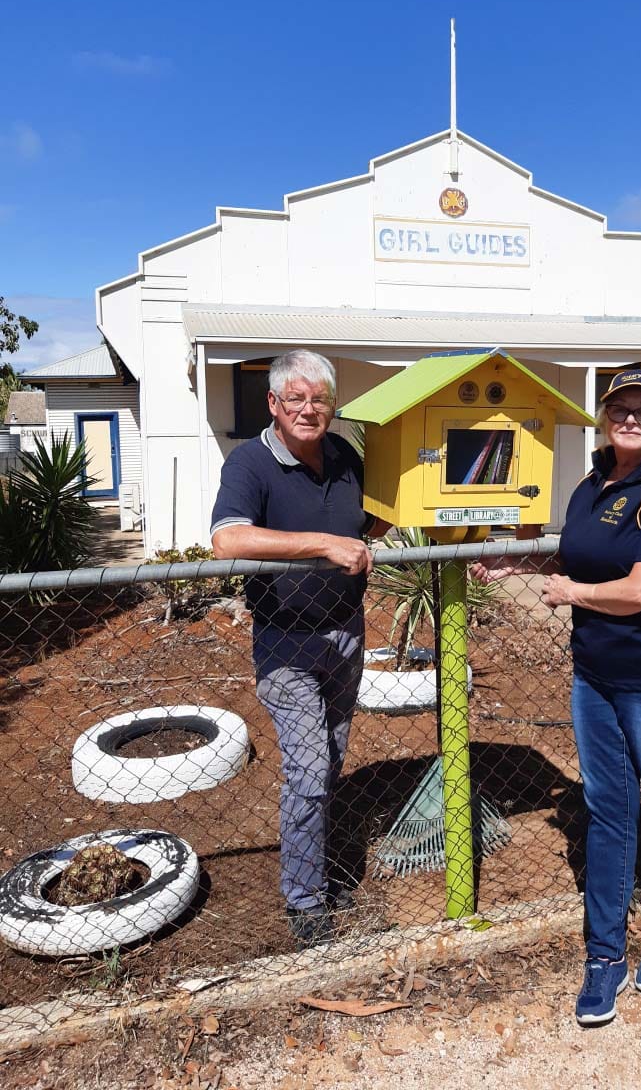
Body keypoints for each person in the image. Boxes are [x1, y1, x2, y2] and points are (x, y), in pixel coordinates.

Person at [472, 369, 641, 1025]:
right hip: (596, 677)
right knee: (608, 810)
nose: (631, 418)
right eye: (620, 407)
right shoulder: (592, 483)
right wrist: (520, 565)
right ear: (604, 414)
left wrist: (573, 596)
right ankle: (604, 956)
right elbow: (583, 560)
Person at [211, 349, 388, 945]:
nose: (309, 410)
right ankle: (305, 900)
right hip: (285, 641)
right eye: (297, 399)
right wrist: (322, 544)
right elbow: (227, 539)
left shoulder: (344, 456)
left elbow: (370, 521)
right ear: (274, 404)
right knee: (310, 769)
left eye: (320, 399)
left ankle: (318, 865)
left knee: (332, 760)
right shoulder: (249, 463)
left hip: (346, 631)